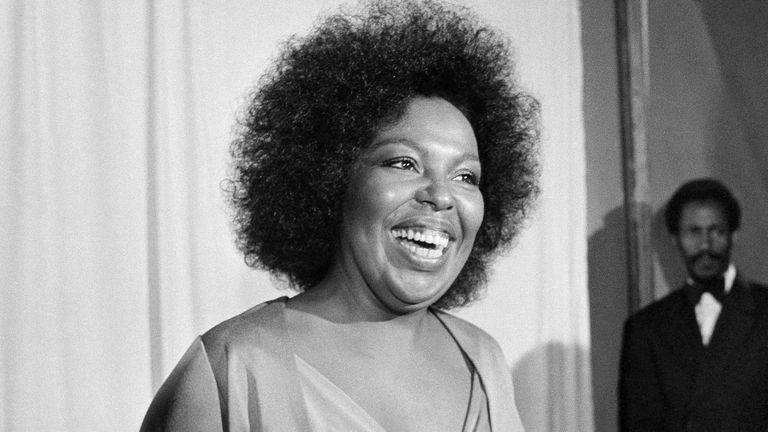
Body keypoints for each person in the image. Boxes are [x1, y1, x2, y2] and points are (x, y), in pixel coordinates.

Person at [140, 0, 539, 430]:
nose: (442, 196)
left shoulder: (485, 362)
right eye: (403, 163)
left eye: (465, 176)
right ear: (330, 176)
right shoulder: (231, 367)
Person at [619, 178, 768, 431]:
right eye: (693, 232)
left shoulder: (764, 310)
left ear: (734, 235)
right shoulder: (646, 328)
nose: (705, 245)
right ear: (675, 238)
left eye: (716, 231)